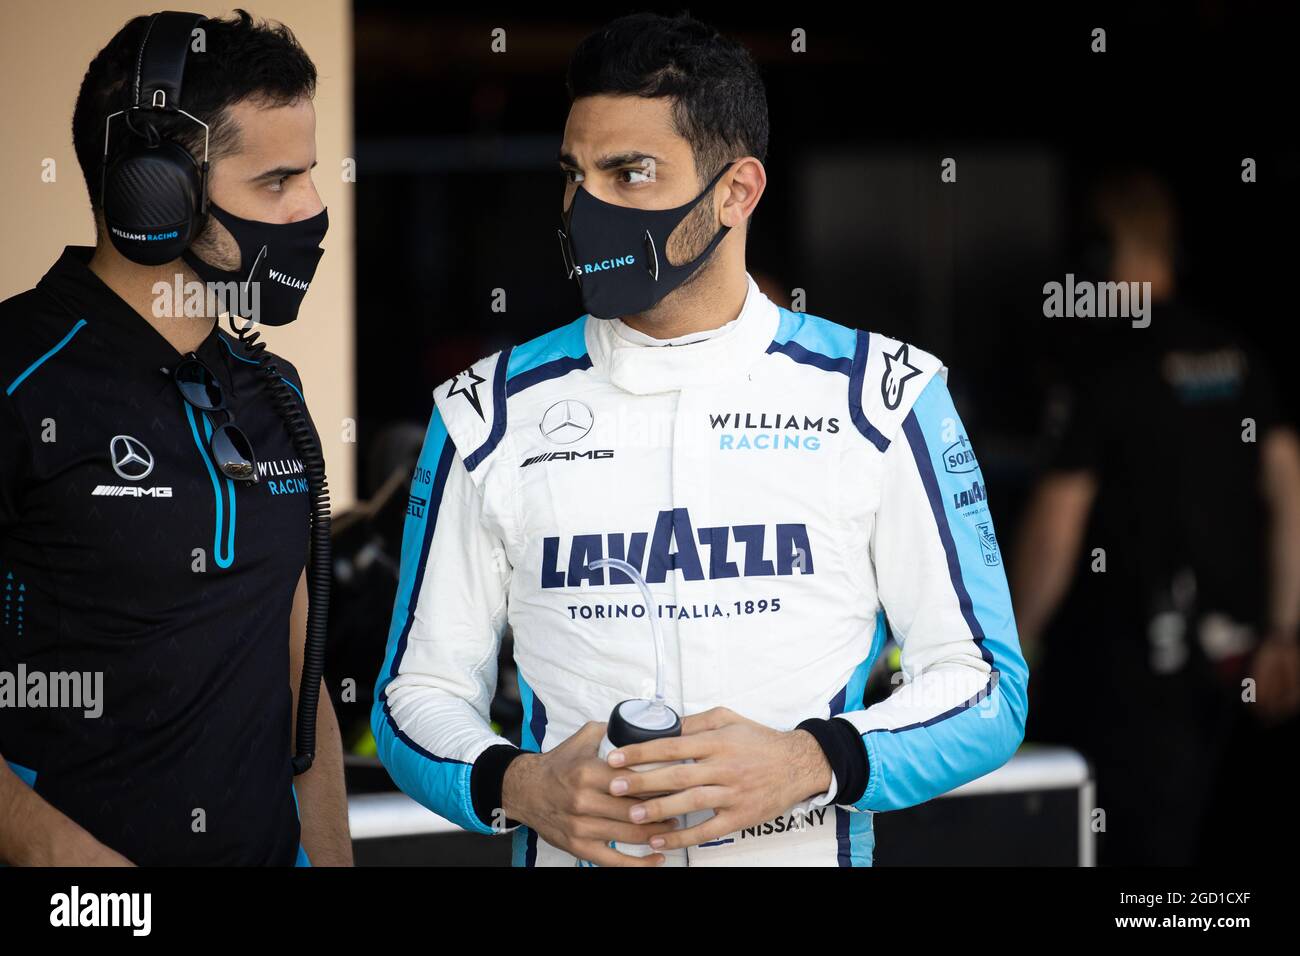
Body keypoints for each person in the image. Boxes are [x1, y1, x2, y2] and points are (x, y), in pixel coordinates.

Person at [373, 12, 1027, 866]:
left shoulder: (885, 396)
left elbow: (985, 685)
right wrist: (518, 785)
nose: (587, 207)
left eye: (630, 173)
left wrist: (810, 762)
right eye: (574, 174)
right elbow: (411, 696)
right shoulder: (484, 412)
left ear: (737, 191)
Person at [0, 10, 350, 866]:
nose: (312, 209)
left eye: (308, 174)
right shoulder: (16, 376)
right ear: (153, 191)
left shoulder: (276, 392)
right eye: (275, 182)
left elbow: (300, 671)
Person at [1013, 170, 1300, 864]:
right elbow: (1290, 490)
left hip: (1125, 679)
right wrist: (1286, 631)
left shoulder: (1104, 366)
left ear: (1104, 257)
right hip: (1238, 667)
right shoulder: (1238, 358)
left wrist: (1010, 650)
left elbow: (1056, 526)